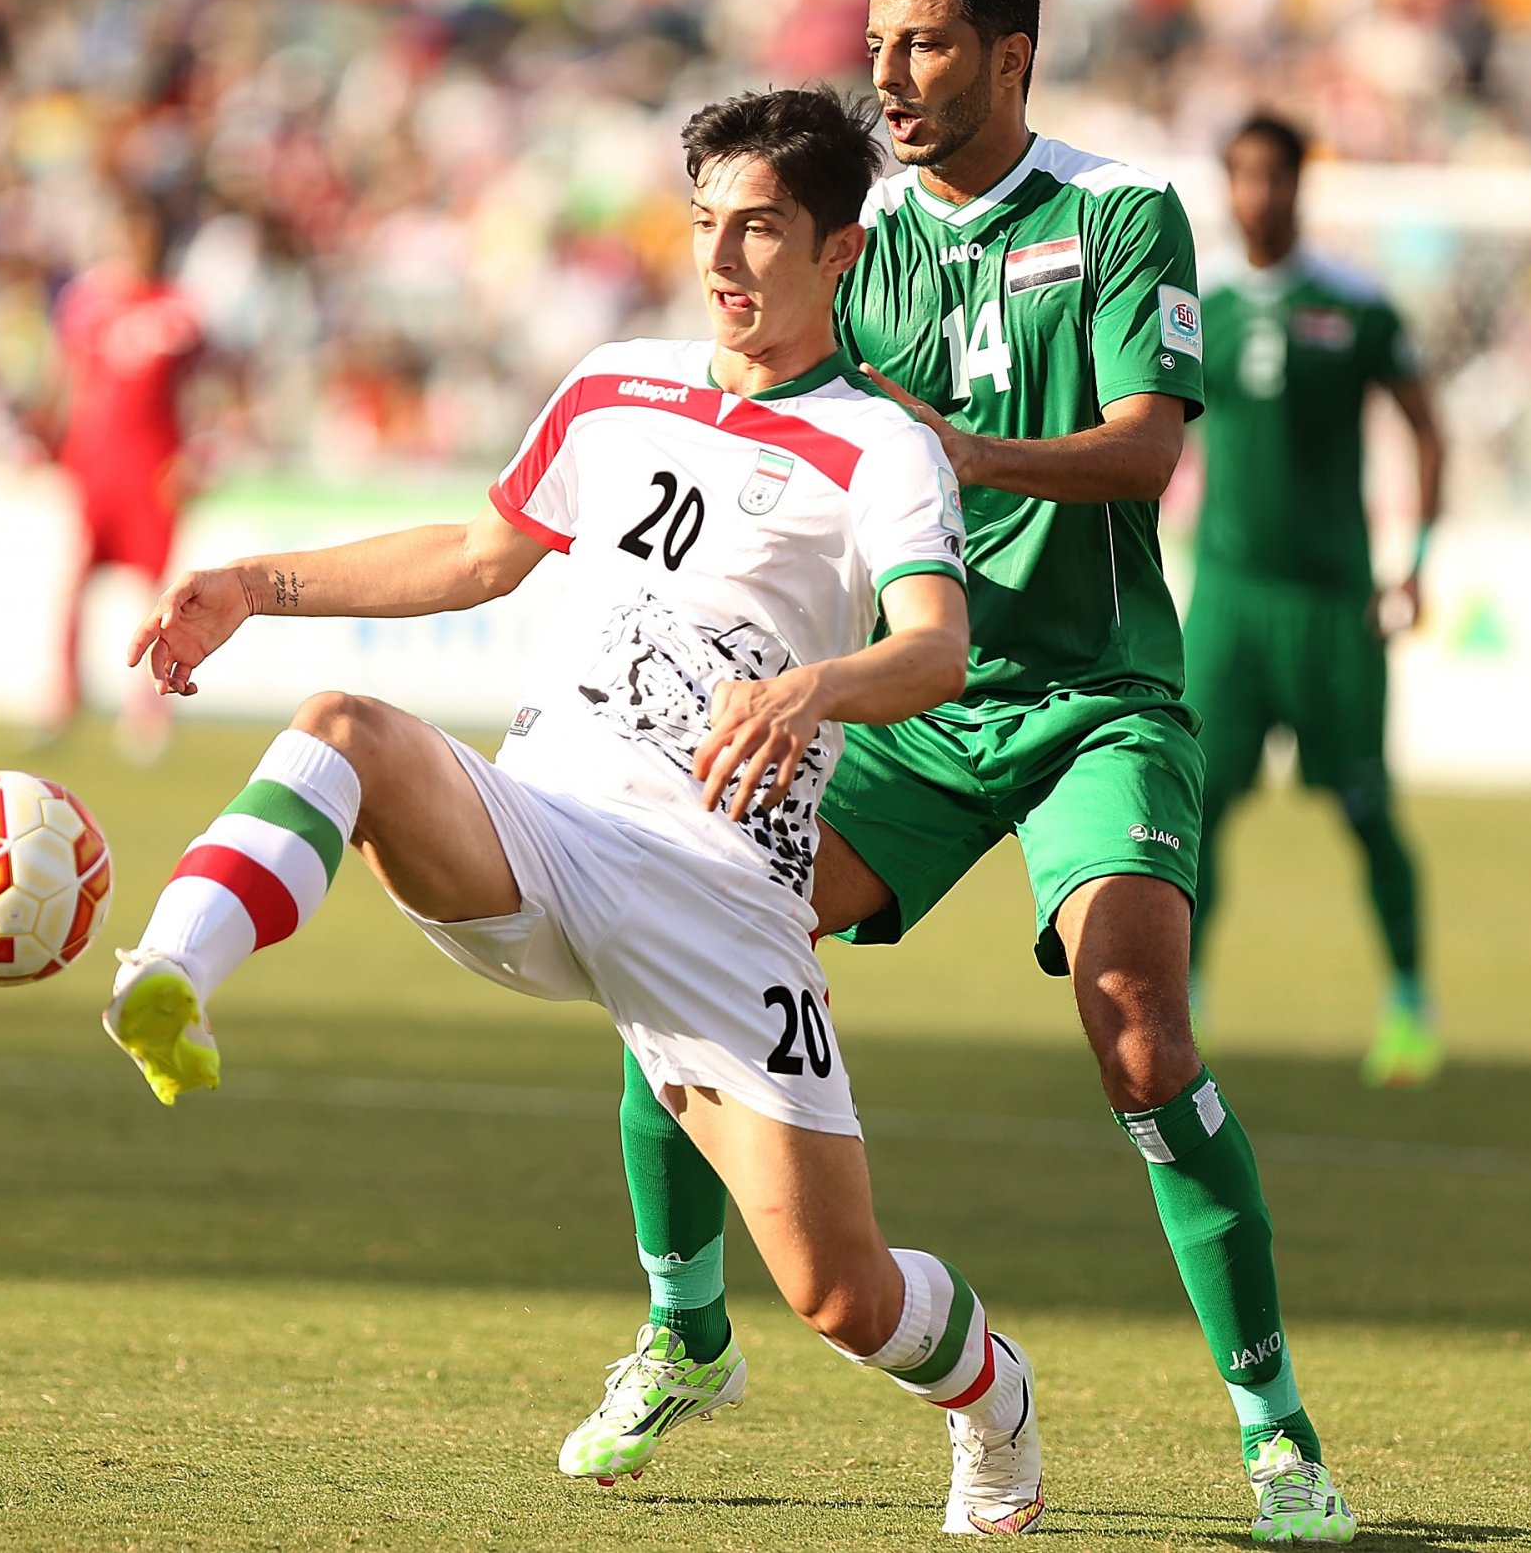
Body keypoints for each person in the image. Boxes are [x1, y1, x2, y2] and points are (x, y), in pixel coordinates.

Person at [101, 86, 1052, 1536]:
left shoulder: (881, 445)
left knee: (841, 1296)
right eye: (704, 227)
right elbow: (480, 553)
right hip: (540, 823)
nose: (724, 262)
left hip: (720, 895)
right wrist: (255, 583)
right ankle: (168, 971)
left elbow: (937, 650)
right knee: (343, 729)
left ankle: (995, 1402)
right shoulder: (615, 383)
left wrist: (817, 692)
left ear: (842, 253)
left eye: (761, 231)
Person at [570, 0, 1356, 1549]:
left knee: (1143, 1032)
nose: (891, 77)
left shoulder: (1122, 210)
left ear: (1011, 54)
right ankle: (686, 1329)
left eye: (926, 46)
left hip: (1094, 703)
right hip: (909, 707)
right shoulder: (851, 241)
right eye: (878, 46)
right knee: (683, 925)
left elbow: (1145, 458)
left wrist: (952, 456)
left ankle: (1276, 1437)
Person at [1186, 112, 1448, 1090]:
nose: (1258, 193)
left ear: (1301, 185)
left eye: (1275, 175)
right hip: (1227, 602)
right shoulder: (1192, 298)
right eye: (1242, 174)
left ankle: (1410, 1004)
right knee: (1192, 811)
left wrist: (1413, 558)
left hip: (1336, 606)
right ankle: (1183, 1004)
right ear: (1225, 185)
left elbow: (1427, 429)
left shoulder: (1356, 304)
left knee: (1368, 810)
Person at [49, 192, 206, 762]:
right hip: (95, 462)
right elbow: (67, 380)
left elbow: (204, 391)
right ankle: (61, 697)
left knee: (160, 595)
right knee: (76, 583)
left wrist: (197, 455)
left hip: (154, 466)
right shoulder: (87, 302)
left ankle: (148, 708)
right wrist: (52, 444)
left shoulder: (178, 310)